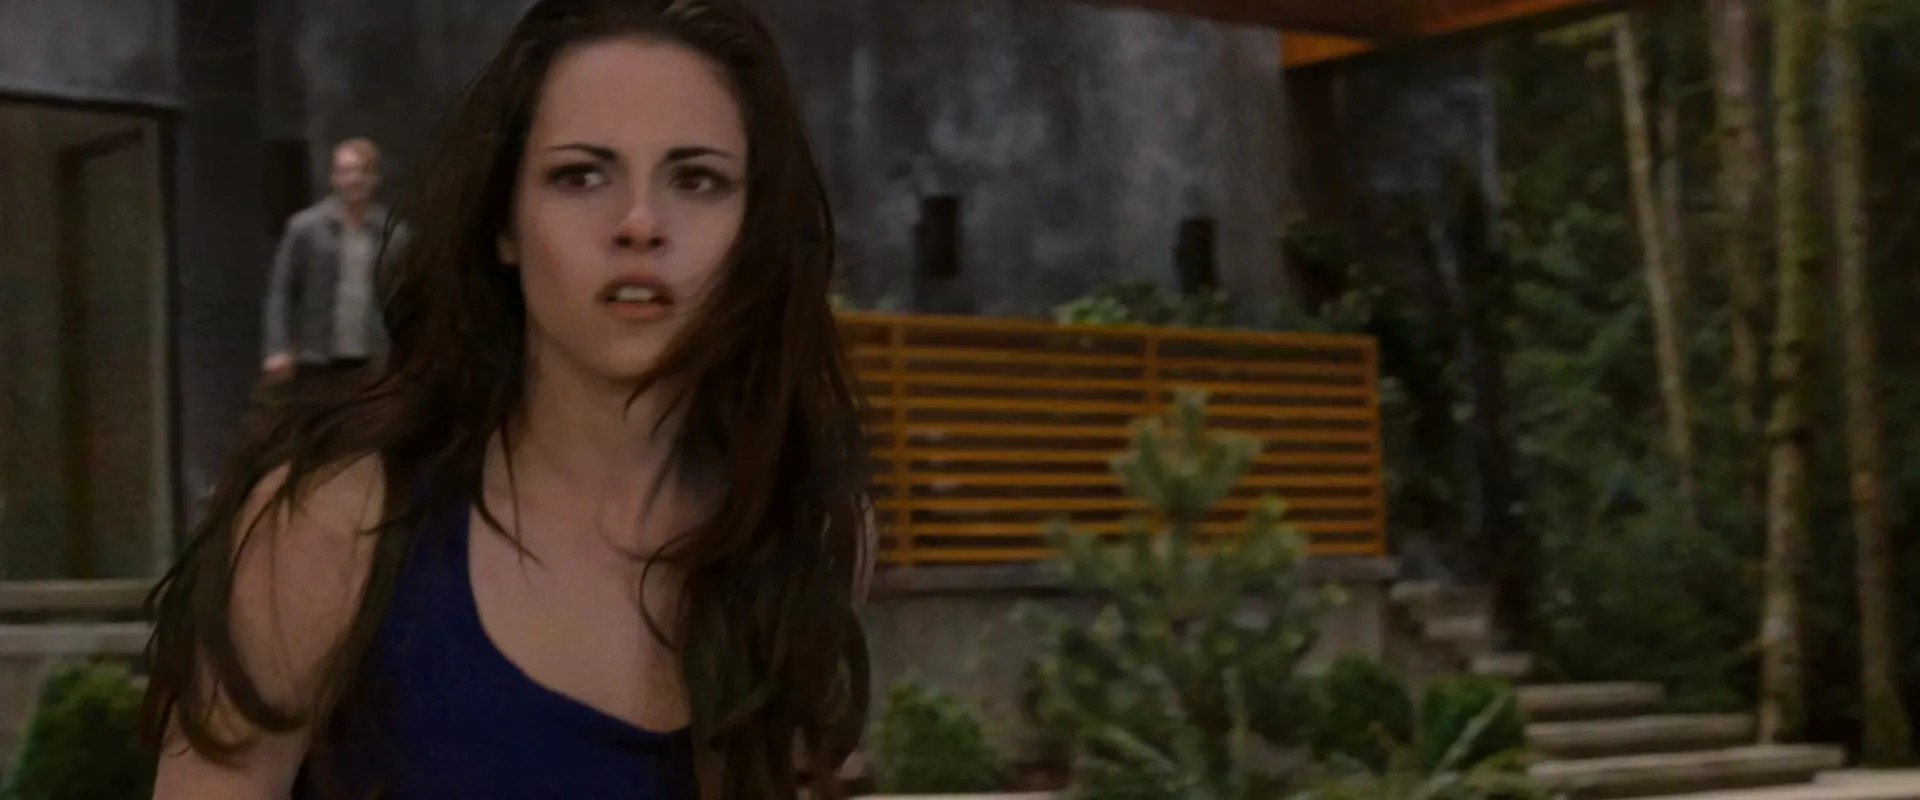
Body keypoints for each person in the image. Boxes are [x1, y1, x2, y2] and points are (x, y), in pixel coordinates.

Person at [143, 1, 874, 797]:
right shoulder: (334, 525)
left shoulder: (801, 530)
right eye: (581, 176)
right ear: (505, 224)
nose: (640, 223)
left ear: (755, 230)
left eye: (696, 180)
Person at [261, 137, 399, 388]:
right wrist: (277, 348)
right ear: (334, 177)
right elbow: (280, 291)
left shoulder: (393, 233)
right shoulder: (306, 228)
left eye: (362, 171)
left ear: (375, 177)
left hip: (374, 359)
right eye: (346, 171)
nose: (354, 179)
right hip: (317, 357)